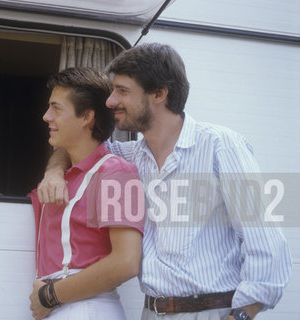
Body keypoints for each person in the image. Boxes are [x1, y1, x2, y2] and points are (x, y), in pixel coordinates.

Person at [37, 43, 291, 319]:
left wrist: (242, 314)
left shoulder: (221, 146)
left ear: (159, 94)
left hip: (211, 312)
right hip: (152, 312)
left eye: (122, 91)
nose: (110, 101)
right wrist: (54, 171)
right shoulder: (129, 157)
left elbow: (266, 245)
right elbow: (76, 145)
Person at [28, 67, 145, 319]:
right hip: (65, 306)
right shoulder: (64, 175)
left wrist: (50, 295)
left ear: (86, 117)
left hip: (86, 308)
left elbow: (126, 261)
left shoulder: (116, 172)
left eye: (56, 108)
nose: (46, 116)